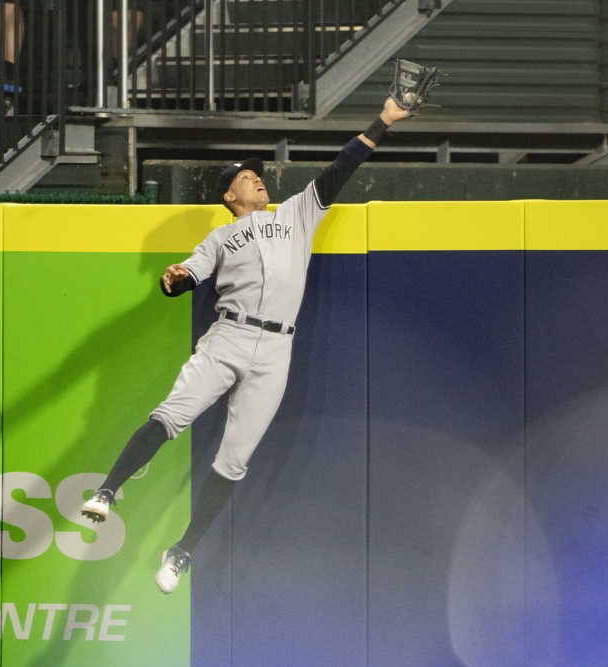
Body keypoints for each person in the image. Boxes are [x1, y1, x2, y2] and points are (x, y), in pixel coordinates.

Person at [82, 97, 412, 594]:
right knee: (172, 415)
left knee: (235, 460)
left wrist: (382, 122)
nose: (258, 179)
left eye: (258, 174)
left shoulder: (297, 214)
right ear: (229, 194)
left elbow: (342, 167)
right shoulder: (220, 238)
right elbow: (185, 279)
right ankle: (107, 490)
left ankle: (183, 551)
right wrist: (173, 280)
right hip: (229, 337)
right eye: (247, 176)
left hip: (277, 349)